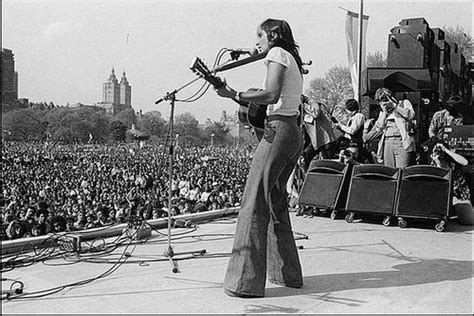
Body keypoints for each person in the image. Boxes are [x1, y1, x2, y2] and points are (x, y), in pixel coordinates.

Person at [215, 18, 304, 298]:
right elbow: (275, 95)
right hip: (293, 132)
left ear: (273, 35)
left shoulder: (277, 53)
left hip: (278, 131)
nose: (256, 41)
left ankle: (245, 283)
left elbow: (271, 94)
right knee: (276, 201)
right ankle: (286, 274)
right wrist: (239, 96)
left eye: (259, 35)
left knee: (253, 201)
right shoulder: (292, 58)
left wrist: (234, 93)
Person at [430, 142, 473, 225]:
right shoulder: (433, 163)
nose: (437, 153)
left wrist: (446, 150)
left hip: (458, 195)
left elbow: (465, 162)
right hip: (442, 195)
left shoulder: (452, 162)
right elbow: (439, 180)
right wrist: (438, 163)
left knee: (469, 220)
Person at [373, 88, 416, 168]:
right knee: (390, 171)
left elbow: (409, 115)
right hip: (387, 141)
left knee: (401, 169)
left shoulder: (404, 103)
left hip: (401, 141)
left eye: (385, 98)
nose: (384, 101)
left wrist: (394, 106)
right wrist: (385, 112)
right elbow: (379, 127)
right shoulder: (383, 111)